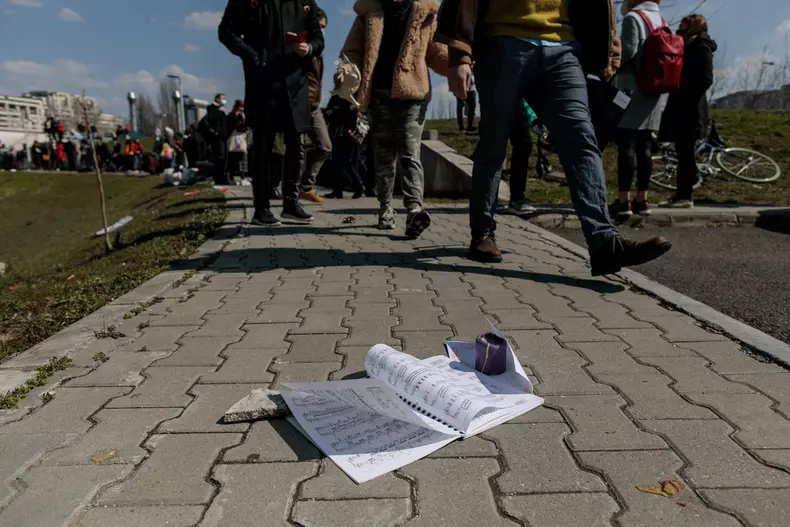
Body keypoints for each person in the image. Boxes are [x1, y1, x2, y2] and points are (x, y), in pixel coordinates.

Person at [435, 0, 672, 276]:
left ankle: (604, 242)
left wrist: (610, 49)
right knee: (494, 142)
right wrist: (459, 56)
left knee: (582, 138)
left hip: (563, 47)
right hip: (503, 41)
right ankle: (483, 234)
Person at [339, 0, 449, 237]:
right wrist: (346, 80)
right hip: (379, 94)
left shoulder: (426, 13)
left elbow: (437, 51)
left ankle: (414, 209)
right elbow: (351, 52)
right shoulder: (370, 13)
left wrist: (460, 63)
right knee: (384, 155)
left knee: (410, 151)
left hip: (414, 93)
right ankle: (385, 207)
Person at [219, 0, 325, 226]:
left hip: (295, 83)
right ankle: (261, 208)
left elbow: (318, 38)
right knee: (263, 147)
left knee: (297, 145)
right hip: (262, 83)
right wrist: (252, 56)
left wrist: (310, 48)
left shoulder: (305, 2)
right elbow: (226, 32)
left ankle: (291, 203)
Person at [609, 0, 668, 217]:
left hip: (630, 88)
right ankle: (642, 200)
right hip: (653, 89)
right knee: (644, 145)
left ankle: (624, 201)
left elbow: (629, 50)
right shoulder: (659, 20)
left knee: (625, 143)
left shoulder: (634, 18)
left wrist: (611, 64)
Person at [660, 14, 716, 208]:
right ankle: (681, 194)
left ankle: (685, 196)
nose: (679, 28)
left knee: (686, 153)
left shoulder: (701, 46)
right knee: (683, 152)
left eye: (684, 25)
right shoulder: (688, 44)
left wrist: (687, 94)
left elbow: (706, 78)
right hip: (683, 106)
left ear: (693, 26)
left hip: (690, 108)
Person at [299, 8, 332, 204]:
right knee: (295, 149)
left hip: (314, 106)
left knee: (325, 146)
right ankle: (294, 189)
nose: (321, 30)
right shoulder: (302, 49)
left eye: (324, 27)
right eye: (318, 26)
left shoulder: (319, 52)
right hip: (299, 104)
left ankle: (306, 185)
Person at [505, 100, 537, 217]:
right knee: (522, 144)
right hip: (508, 95)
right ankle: (516, 200)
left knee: (524, 145)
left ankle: (516, 198)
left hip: (517, 98)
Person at [204, 93, 230, 185]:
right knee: (220, 156)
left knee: (224, 157)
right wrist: (220, 112)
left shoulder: (222, 109)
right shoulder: (212, 108)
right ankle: (218, 178)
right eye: (222, 98)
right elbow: (211, 117)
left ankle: (222, 176)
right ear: (217, 99)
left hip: (223, 136)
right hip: (217, 137)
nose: (224, 100)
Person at [226, 99, 248, 182]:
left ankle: (238, 176)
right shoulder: (236, 115)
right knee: (236, 158)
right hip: (236, 137)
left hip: (238, 138)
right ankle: (234, 176)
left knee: (239, 158)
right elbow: (239, 127)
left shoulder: (237, 115)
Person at [456, 65, 477, 132]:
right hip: (460, 86)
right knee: (460, 105)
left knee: (472, 106)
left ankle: (470, 126)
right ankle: (461, 126)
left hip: (471, 88)